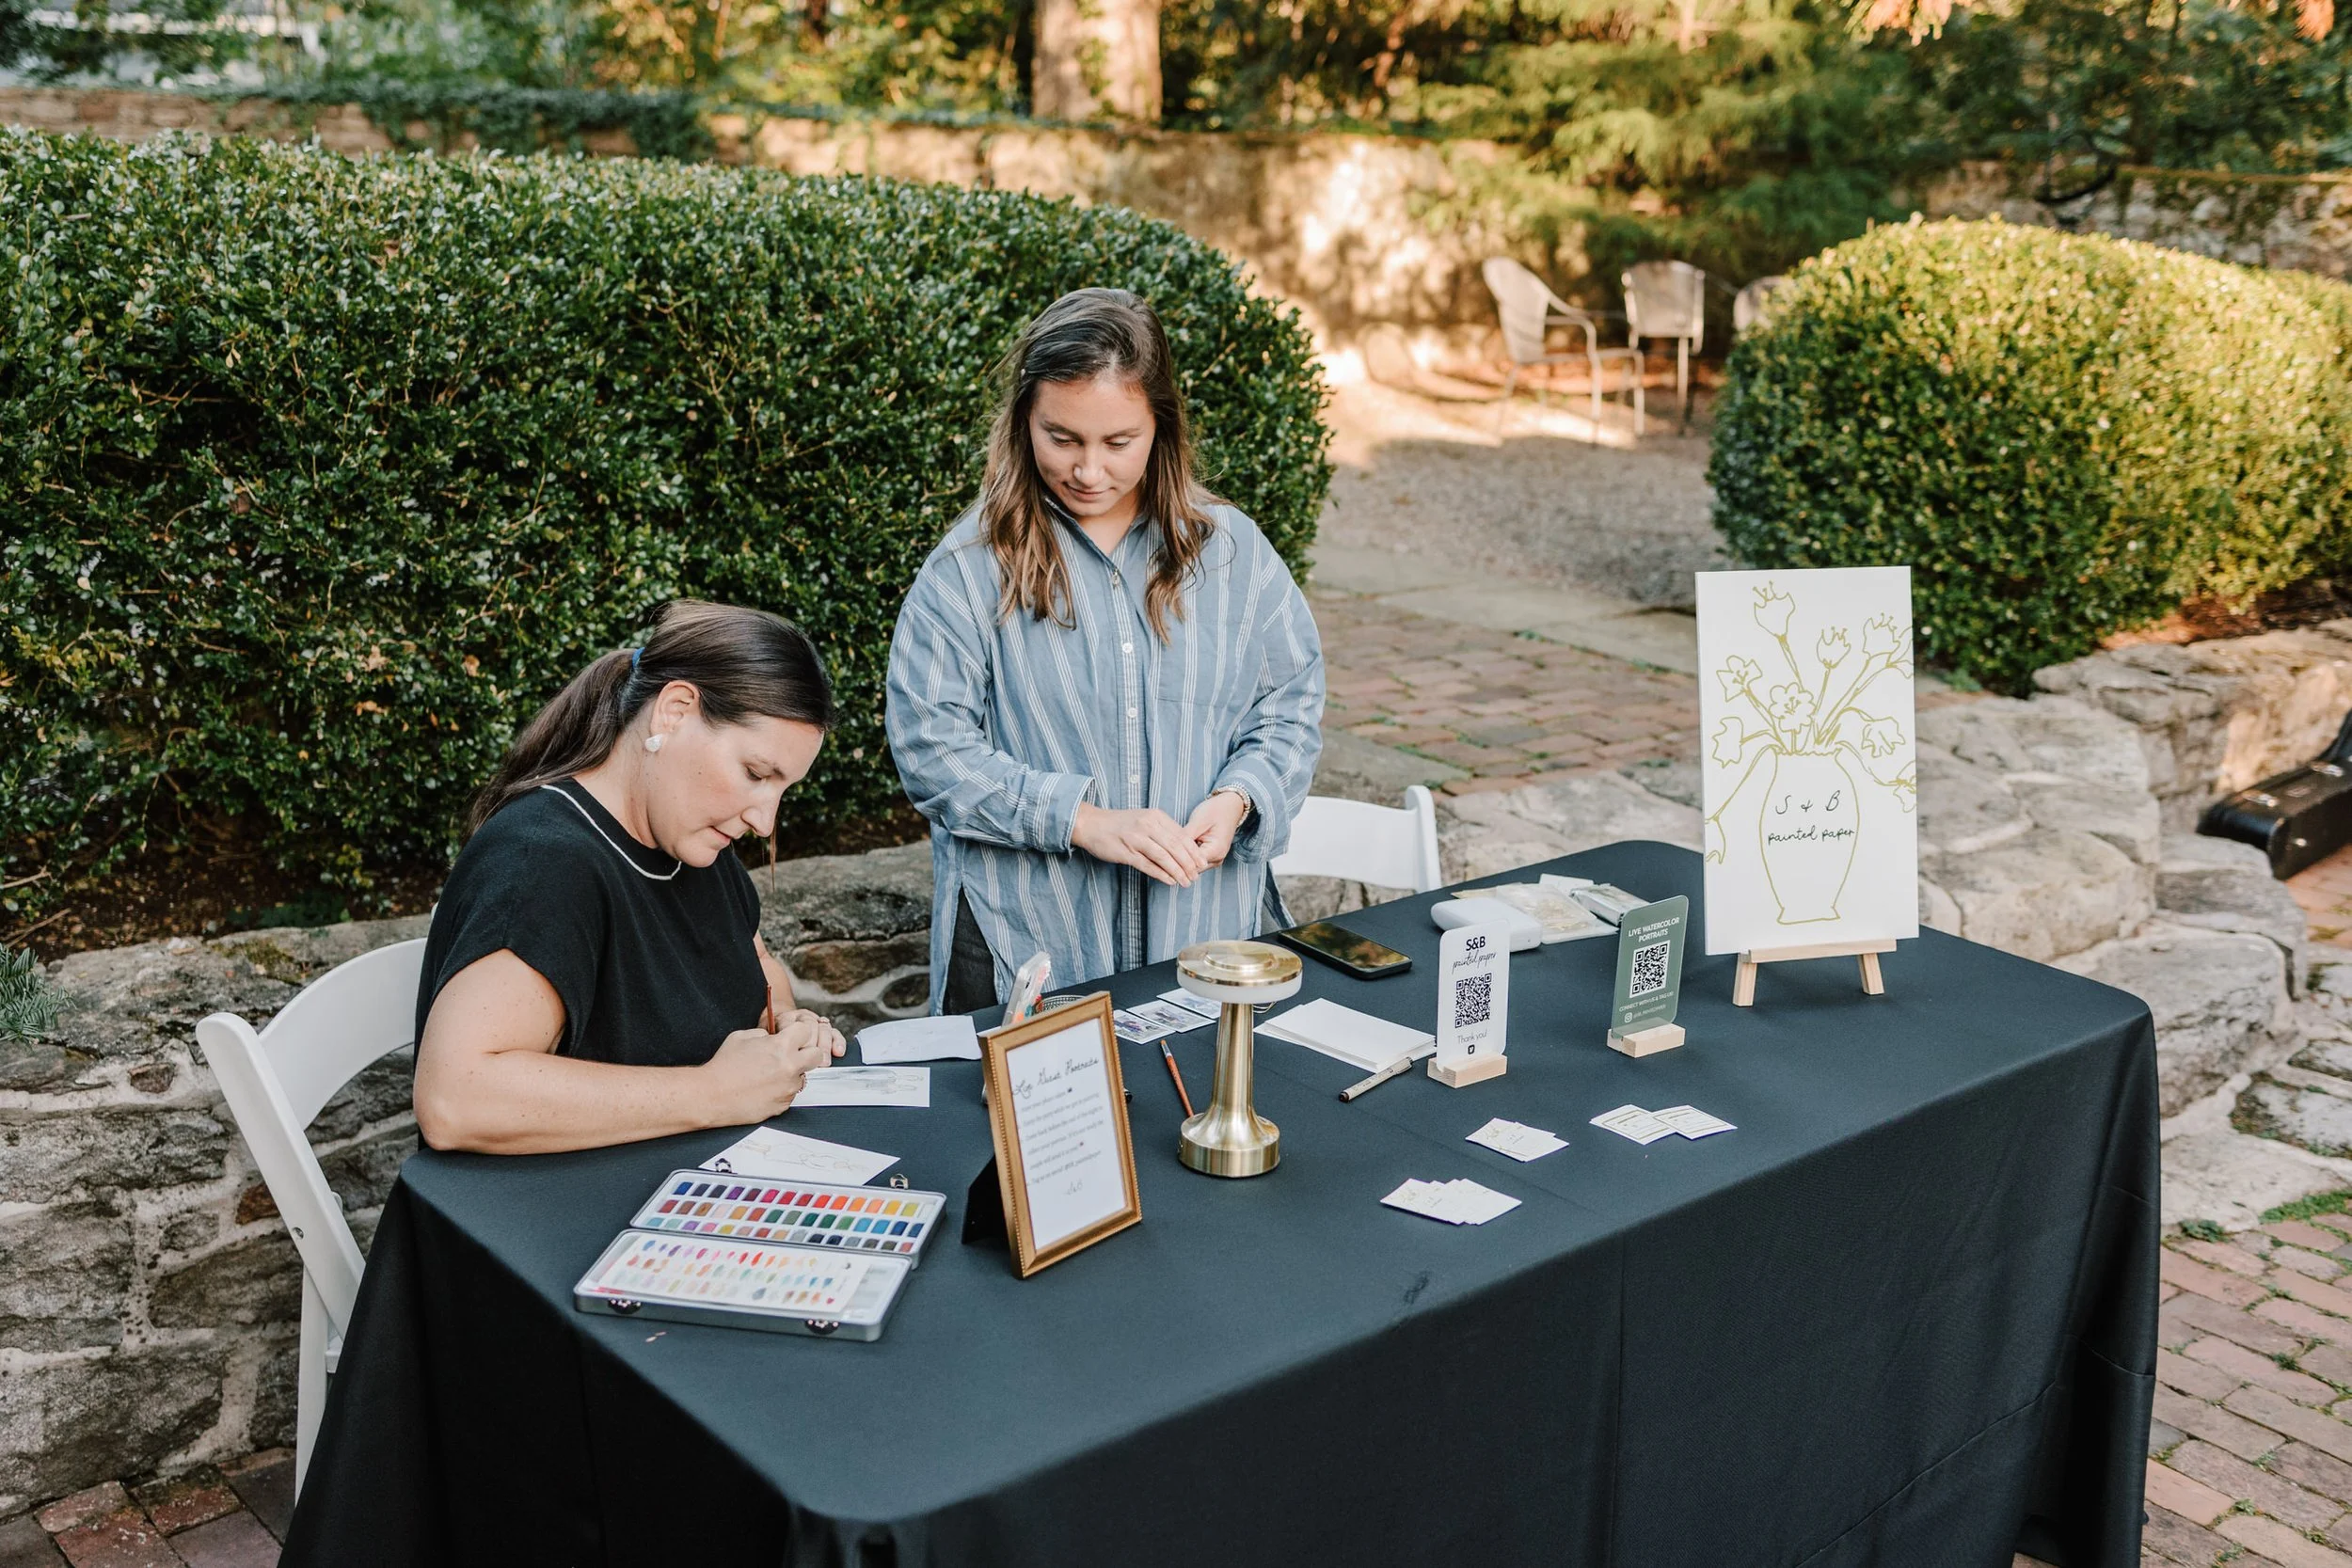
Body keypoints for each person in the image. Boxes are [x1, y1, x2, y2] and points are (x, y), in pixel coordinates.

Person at [886, 287, 1325, 1013]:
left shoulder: (1234, 552)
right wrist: (1081, 822)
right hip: (1022, 947)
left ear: (1163, 427)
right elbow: (930, 748)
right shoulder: (966, 567)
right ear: (1023, 419)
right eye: (1062, 438)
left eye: (1119, 442)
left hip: (1202, 949)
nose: (1089, 470)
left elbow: (1290, 704)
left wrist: (1241, 796)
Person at [411, 599, 847, 1154]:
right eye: (755, 773)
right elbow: (455, 1100)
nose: (765, 821)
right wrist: (711, 1093)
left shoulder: (693, 845)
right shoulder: (542, 863)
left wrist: (786, 1026)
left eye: (783, 790)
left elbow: (758, 970)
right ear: (675, 711)